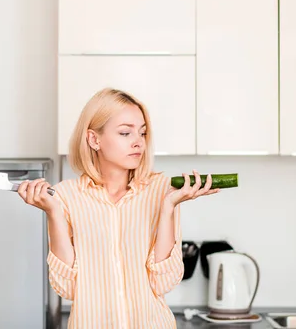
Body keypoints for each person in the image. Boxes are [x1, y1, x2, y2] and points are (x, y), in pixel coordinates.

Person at [18, 88, 220, 328]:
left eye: (142, 132)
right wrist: (53, 213)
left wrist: (168, 208)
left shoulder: (161, 191)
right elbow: (68, 288)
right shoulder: (66, 196)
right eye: (125, 132)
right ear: (94, 139)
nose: (138, 142)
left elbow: (163, 282)